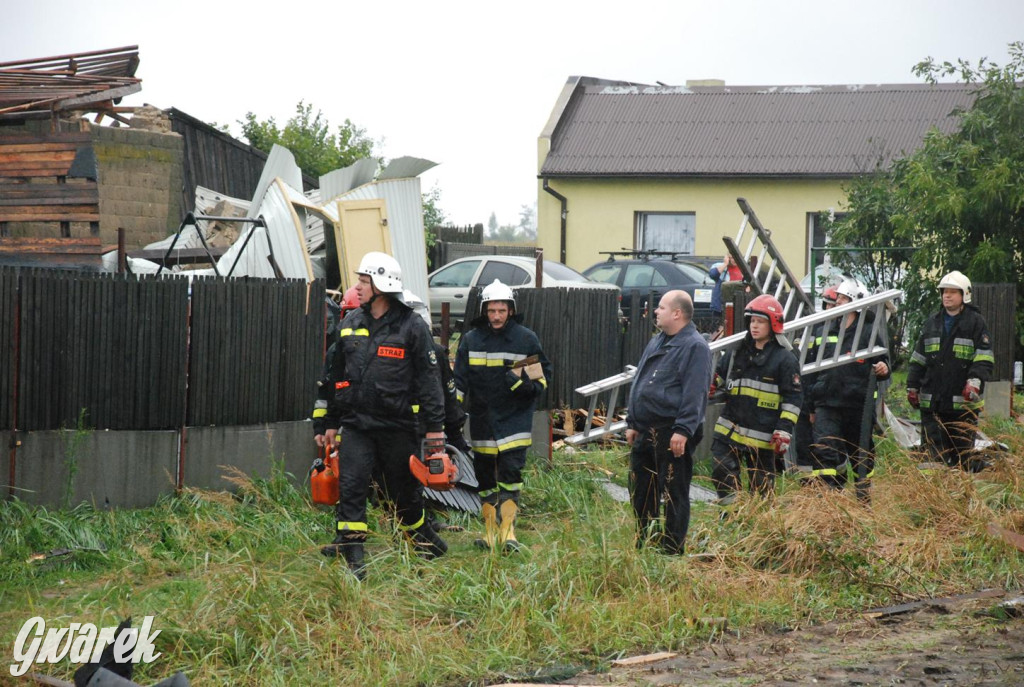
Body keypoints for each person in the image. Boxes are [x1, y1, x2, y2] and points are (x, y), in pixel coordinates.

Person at [318, 252, 448, 579]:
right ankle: (354, 559)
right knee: (352, 486)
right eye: (360, 280)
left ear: (382, 285)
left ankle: (422, 536)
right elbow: (336, 377)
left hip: (399, 426)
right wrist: (331, 422)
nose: (357, 287)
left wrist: (435, 431)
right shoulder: (349, 324)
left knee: (402, 493)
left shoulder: (412, 327)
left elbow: (430, 382)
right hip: (358, 426)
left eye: (364, 281)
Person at [454, 279, 551, 552]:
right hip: (483, 421)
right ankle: (489, 531)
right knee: (484, 478)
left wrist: (519, 383)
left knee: (510, 473)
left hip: (514, 420)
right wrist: (452, 416)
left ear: (511, 310)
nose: (496, 316)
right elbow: (459, 383)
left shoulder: (525, 339)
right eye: (492, 310)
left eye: (502, 310)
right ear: (485, 310)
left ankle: (508, 532)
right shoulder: (471, 340)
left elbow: (541, 383)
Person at [625, 290, 712, 554]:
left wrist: (683, 430)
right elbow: (640, 381)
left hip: (671, 431)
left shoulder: (695, 346)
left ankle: (671, 549)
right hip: (645, 429)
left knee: (674, 492)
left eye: (661, 307)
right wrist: (633, 421)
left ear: (677, 313)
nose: (656, 311)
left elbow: (695, 392)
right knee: (641, 489)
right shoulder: (658, 341)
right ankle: (647, 541)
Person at [710, 294, 802, 504]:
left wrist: (784, 430)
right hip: (730, 429)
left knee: (761, 492)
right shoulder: (736, 353)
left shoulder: (785, 359)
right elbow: (720, 376)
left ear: (773, 325)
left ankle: (758, 529)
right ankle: (732, 518)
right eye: (752, 321)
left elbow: (793, 399)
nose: (755, 326)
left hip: (763, 435)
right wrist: (712, 382)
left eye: (760, 321)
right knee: (721, 471)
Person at [805, 279, 890, 495]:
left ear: (856, 303)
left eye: (844, 298)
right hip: (827, 402)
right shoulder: (824, 329)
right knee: (824, 448)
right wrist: (810, 407)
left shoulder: (868, 332)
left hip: (857, 404)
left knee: (860, 452)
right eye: (838, 298)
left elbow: (885, 363)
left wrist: (883, 368)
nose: (838, 303)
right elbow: (810, 370)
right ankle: (828, 498)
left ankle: (862, 495)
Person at [907, 270, 994, 472]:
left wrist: (974, 381)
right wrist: (912, 385)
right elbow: (918, 358)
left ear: (964, 295)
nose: (947, 296)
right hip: (932, 404)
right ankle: (935, 498)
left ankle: (959, 498)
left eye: (953, 292)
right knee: (933, 456)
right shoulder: (932, 323)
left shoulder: (975, 322)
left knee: (962, 457)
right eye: (944, 291)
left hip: (962, 406)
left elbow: (984, 357)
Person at [793, 285, 839, 474]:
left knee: (827, 446)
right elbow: (801, 358)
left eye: (833, 305)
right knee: (804, 443)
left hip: (831, 398)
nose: (830, 310)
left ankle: (829, 486)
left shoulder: (850, 332)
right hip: (808, 392)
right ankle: (807, 487)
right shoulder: (813, 328)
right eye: (827, 305)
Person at [708, 253, 745, 324]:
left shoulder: (743, 270)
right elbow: (713, 274)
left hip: (738, 305)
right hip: (722, 306)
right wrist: (725, 264)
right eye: (731, 258)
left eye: (735, 258)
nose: (734, 260)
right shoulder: (720, 266)